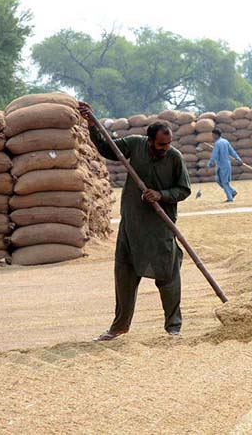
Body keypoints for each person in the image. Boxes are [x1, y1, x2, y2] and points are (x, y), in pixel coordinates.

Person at [79, 102, 191, 340]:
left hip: (160, 227)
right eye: (161, 144)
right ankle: (119, 326)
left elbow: (184, 190)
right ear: (149, 140)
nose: (165, 148)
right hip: (132, 225)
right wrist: (92, 124)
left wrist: (161, 195)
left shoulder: (174, 158)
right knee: (124, 276)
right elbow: (108, 149)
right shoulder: (134, 145)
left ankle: (173, 326)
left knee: (169, 276)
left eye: (168, 144)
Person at [207, 128, 242, 202]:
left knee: (224, 182)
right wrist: (238, 158)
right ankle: (232, 191)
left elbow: (214, 155)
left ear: (216, 135)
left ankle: (230, 198)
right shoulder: (226, 141)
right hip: (226, 165)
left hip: (222, 166)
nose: (212, 136)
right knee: (218, 180)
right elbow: (232, 151)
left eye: (213, 135)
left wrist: (209, 163)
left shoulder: (217, 143)